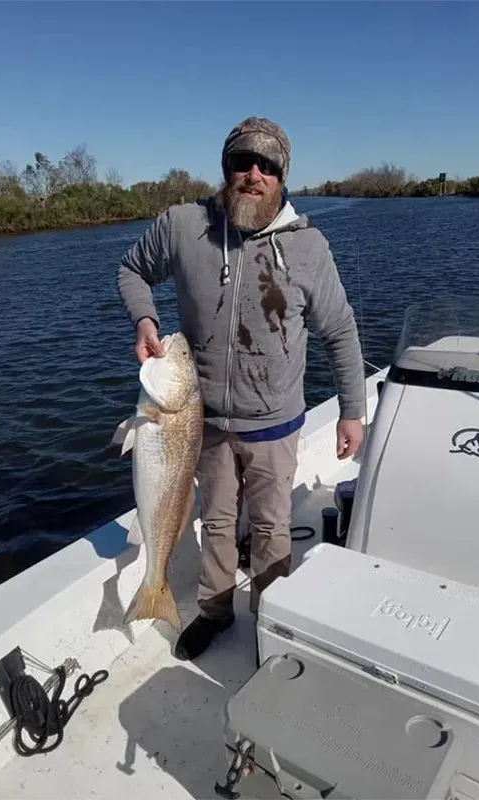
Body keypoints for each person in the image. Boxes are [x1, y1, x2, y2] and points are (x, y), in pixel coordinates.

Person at [116, 116, 365, 661]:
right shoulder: (183, 226)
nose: (254, 174)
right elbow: (132, 270)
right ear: (225, 168)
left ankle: (272, 622)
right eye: (242, 162)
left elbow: (340, 331)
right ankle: (214, 611)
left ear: (282, 177)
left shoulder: (309, 247)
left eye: (267, 166)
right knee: (217, 523)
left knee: (273, 528)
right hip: (199, 422)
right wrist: (145, 320)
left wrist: (352, 410)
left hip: (274, 422)